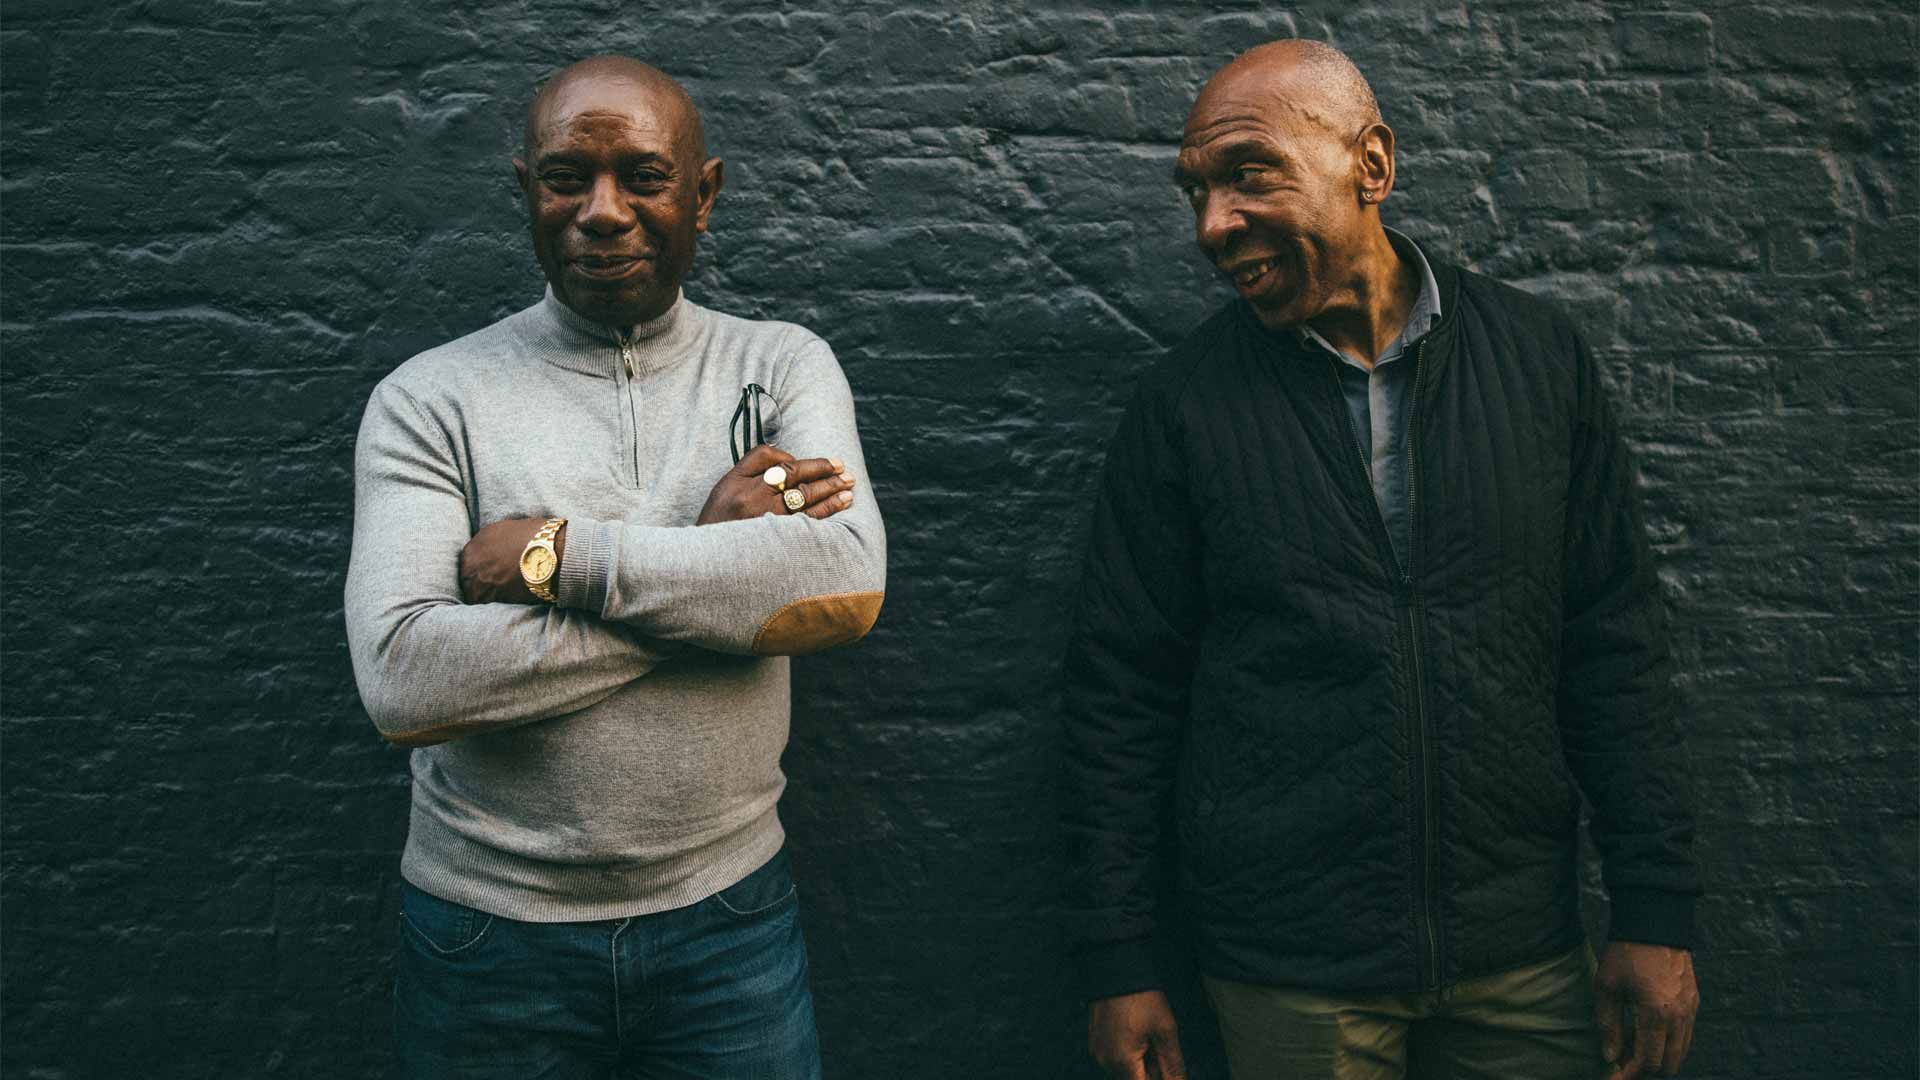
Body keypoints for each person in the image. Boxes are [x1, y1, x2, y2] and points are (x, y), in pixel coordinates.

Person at [1061, 39, 1700, 1080]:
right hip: (1291, 979)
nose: (1213, 225)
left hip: (1524, 960)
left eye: (1247, 174)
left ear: (1372, 166)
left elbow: (1614, 646)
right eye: (1198, 193)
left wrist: (1656, 904)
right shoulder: (1183, 409)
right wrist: (1119, 958)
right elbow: (1119, 700)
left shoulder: (1539, 362)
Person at [342, 55, 884, 1078]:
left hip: (730, 924)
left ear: (704, 194)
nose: (602, 211)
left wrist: (552, 554)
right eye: (565, 178)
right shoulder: (430, 399)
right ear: (525, 191)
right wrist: (718, 571)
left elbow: (844, 585)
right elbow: (405, 679)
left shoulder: (780, 368)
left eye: (642, 176)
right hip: (487, 939)